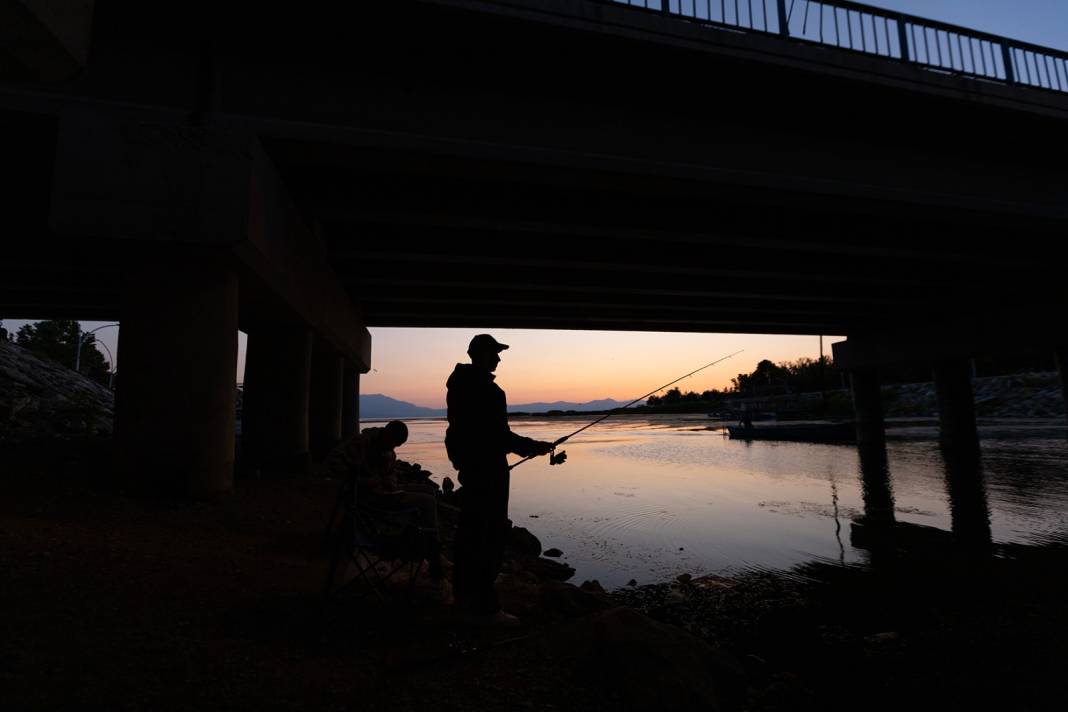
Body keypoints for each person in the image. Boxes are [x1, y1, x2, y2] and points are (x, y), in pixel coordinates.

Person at [445, 334, 553, 626]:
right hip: (489, 471)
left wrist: (462, 461)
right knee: (489, 537)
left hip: (470, 469)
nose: (499, 358)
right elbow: (499, 436)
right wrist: (535, 446)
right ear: (481, 355)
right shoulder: (489, 391)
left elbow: (457, 432)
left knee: (469, 533)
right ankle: (486, 610)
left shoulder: (457, 386)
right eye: (495, 353)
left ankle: (462, 597)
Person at [324, 420, 449, 587]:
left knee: (429, 491)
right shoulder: (361, 444)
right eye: (395, 444)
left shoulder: (387, 448)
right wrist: (363, 481)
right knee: (427, 501)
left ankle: (432, 544)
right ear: (388, 434)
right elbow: (332, 463)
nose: (394, 448)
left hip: (384, 492)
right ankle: (434, 552)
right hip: (371, 500)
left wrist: (390, 481)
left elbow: (389, 473)